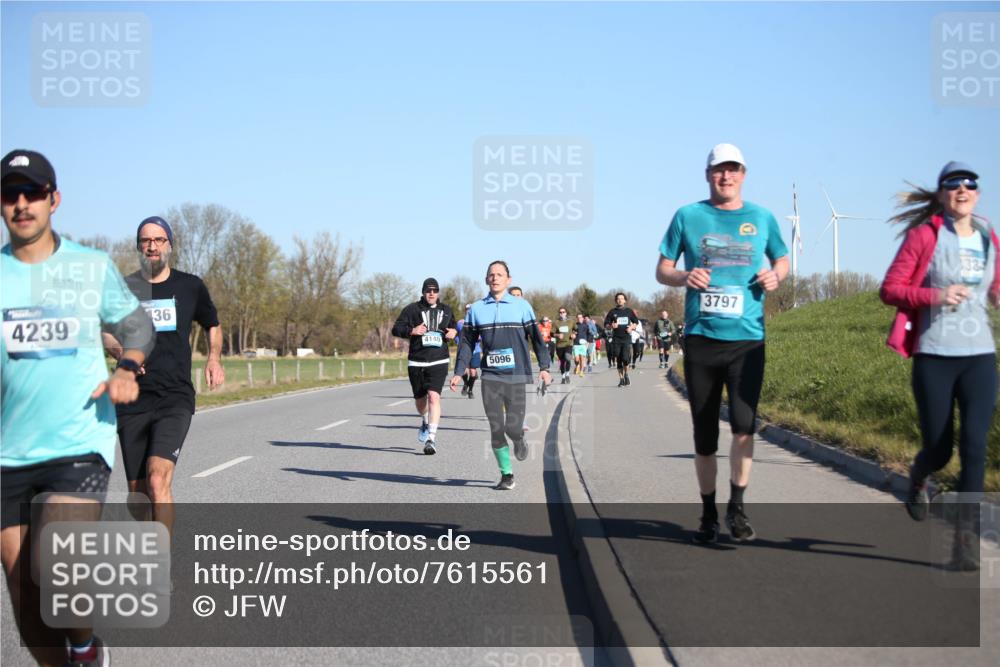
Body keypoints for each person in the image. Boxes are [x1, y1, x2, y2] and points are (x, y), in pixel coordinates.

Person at [1, 149, 155, 666]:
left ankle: (85, 645)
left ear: (54, 199)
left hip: (78, 440)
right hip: (8, 449)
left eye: (33, 193)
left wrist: (128, 369)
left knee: (58, 560)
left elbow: (137, 327)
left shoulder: (89, 267)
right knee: (23, 590)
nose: (21, 204)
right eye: (10, 194)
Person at [655, 143, 789, 544]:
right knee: (705, 435)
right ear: (708, 174)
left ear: (744, 174)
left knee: (745, 429)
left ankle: (738, 508)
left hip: (748, 341)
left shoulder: (761, 217)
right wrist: (683, 277)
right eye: (719, 170)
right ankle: (709, 513)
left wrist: (775, 276)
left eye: (733, 170)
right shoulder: (688, 216)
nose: (725, 177)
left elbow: (781, 258)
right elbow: (662, 268)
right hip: (702, 340)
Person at [880, 161, 998, 571]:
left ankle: (963, 542)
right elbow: (890, 289)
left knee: (975, 447)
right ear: (942, 194)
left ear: (977, 193)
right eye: (953, 184)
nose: (962, 189)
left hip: (980, 356)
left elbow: (995, 285)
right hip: (934, 355)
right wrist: (936, 295)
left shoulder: (986, 234)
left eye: (970, 184)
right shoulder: (924, 235)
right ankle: (918, 476)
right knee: (940, 448)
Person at [103, 215, 225, 534]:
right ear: (139, 246)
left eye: (158, 240)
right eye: (146, 240)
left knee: (158, 479)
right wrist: (122, 353)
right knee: (139, 496)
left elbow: (212, 323)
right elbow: (106, 333)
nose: (152, 246)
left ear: (169, 245)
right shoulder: (125, 288)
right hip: (133, 398)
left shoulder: (190, 286)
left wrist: (214, 359)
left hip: (174, 396)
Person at [450, 261, 551, 490]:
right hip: (491, 377)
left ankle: (518, 438)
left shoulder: (522, 306)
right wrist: (459, 371)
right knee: (496, 427)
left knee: (512, 427)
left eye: (500, 274)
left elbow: (536, 339)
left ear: (508, 279)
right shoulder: (476, 309)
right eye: (491, 275)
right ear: (486, 279)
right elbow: (466, 343)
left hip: (516, 375)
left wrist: (544, 367)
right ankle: (507, 475)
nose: (495, 278)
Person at [392, 278, 458, 455]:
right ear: (423, 292)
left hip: (439, 360)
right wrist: (412, 331)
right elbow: (396, 329)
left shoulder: (446, 310)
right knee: (421, 401)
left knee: (434, 397)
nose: (431, 293)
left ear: (438, 293)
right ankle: (424, 420)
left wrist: (454, 332)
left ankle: (431, 439)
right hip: (417, 361)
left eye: (435, 290)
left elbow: (454, 328)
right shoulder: (411, 310)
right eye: (428, 290)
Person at [604, 293, 638, 387]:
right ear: (616, 300)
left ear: (625, 300)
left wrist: (631, 327)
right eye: (618, 299)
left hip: (626, 338)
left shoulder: (629, 311)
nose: (620, 300)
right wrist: (611, 325)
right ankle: (621, 379)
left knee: (625, 359)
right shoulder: (612, 312)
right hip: (616, 338)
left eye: (622, 299)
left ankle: (626, 374)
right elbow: (606, 324)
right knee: (618, 359)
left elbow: (636, 322)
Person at [455, 305, 481, 399]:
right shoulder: (460, 323)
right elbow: (456, 334)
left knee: (473, 372)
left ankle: (470, 390)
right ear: (465, 311)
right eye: (467, 310)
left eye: (470, 310)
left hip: (475, 351)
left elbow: (483, 334)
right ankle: (466, 383)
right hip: (464, 350)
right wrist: (458, 341)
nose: (469, 311)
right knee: (464, 371)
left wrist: (480, 338)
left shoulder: (478, 322)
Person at [553, 306, 575, 384]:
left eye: (563, 312)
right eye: (560, 312)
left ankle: (567, 374)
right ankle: (563, 376)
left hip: (568, 343)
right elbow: (551, 333)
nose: (562, 314)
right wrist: (557, 335)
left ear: (566, 313)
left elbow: (576, 329)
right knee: (562, 361)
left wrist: (574, 334)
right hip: (559, 345)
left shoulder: (571, 321)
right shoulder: (556, 322)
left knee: (568, 358)